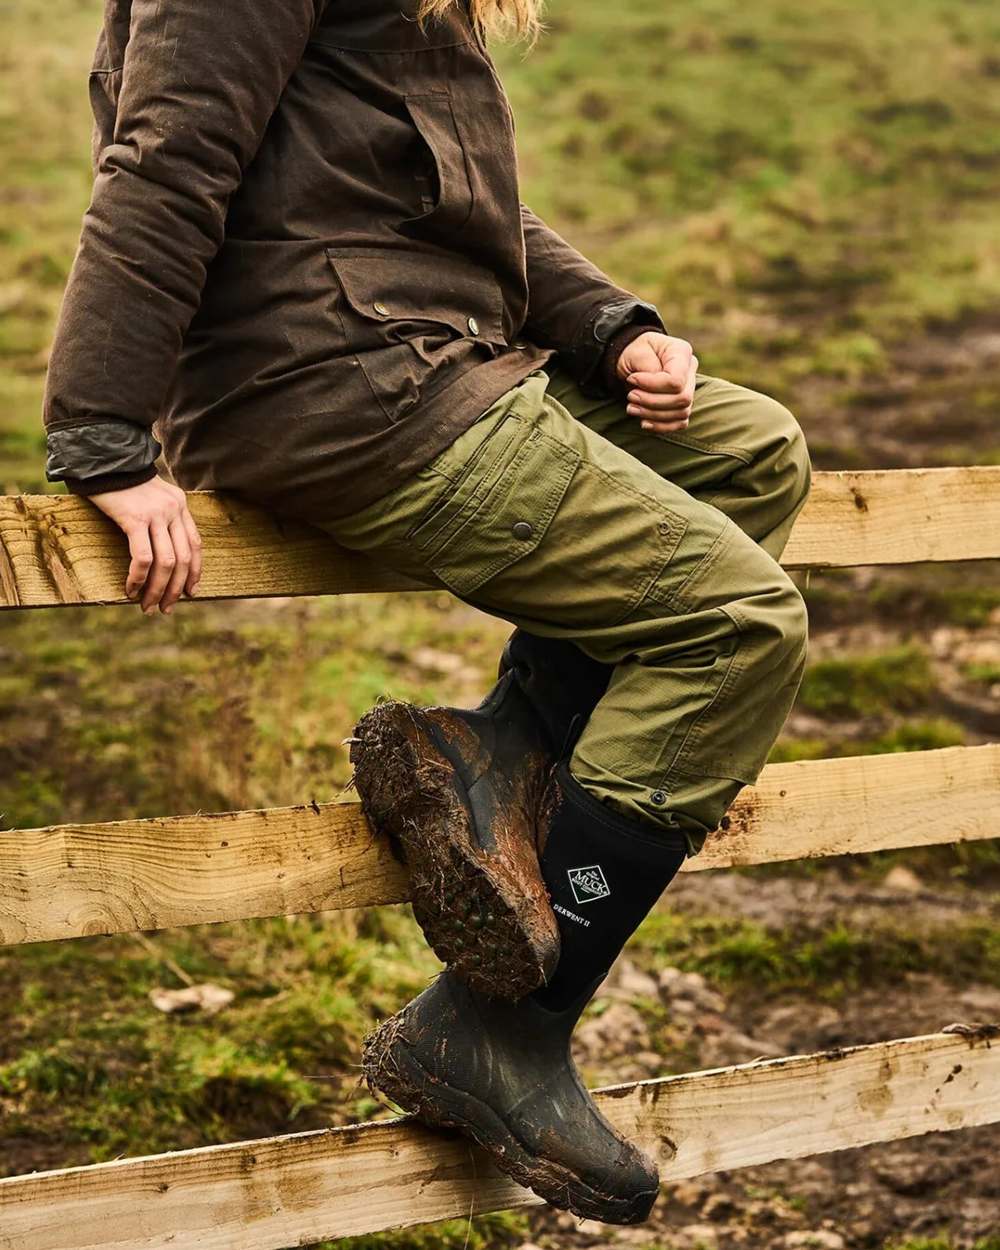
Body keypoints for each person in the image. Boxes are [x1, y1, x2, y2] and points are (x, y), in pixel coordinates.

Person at [43, 0, 810, 1226]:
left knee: (750, 452)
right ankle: (502, 1026)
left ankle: (506, 744)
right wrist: (104, 436)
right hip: (340, 387)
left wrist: (614, 328)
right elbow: (165, 157)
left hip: (440, 353)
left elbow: (460, 210)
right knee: (734, 623)